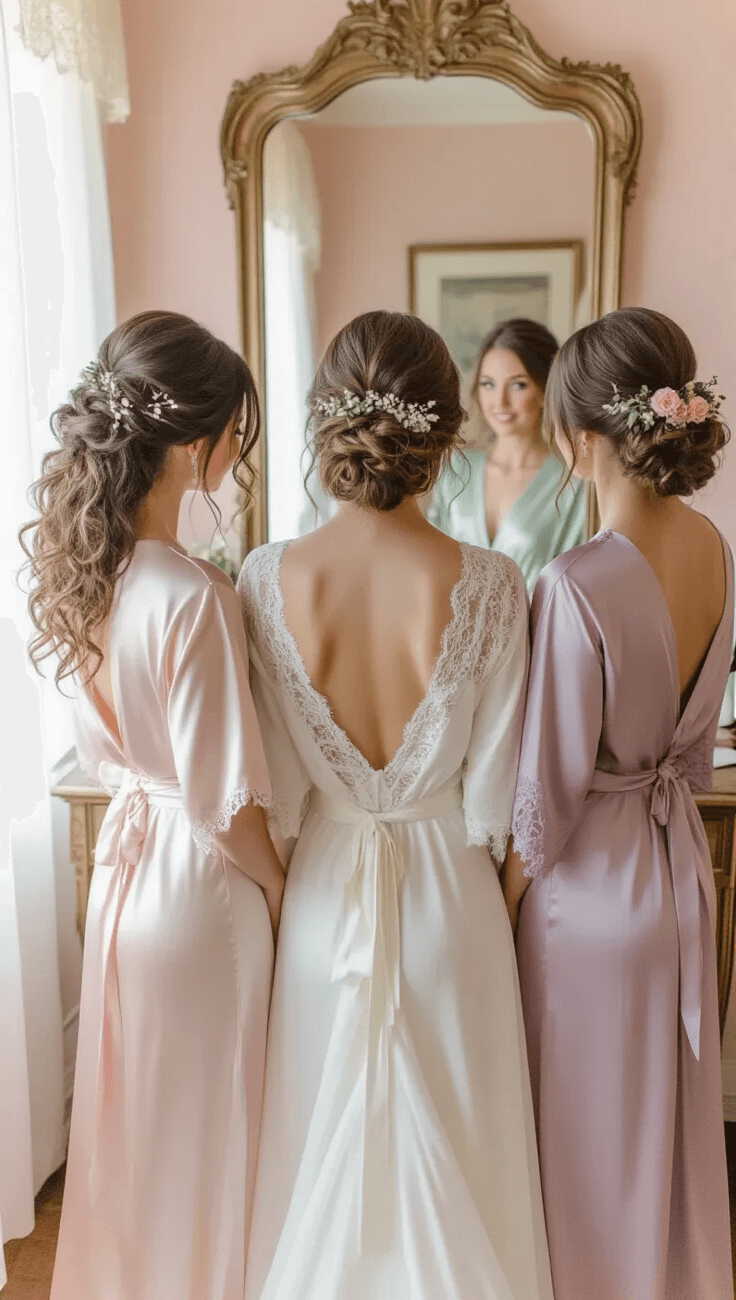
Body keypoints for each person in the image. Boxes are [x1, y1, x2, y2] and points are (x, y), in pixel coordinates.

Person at [239, 312, 554, 1300]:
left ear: (326, 422)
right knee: (473, 1169)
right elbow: (497, 797)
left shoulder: (262, 579)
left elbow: (276, 791)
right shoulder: (494, 585)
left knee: (315, 1168)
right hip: (451, 905)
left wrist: (290, 889)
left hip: (324, 903)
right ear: (446, 428)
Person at [21, 311, 285, 1300]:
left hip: (125, 883)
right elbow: (224, 802)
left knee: (137, 1134)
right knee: (210, 1135)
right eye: (233, 435)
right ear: (193, 443)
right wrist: (284, 886)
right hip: (197, 890)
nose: (233, 454)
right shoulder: (195, 594)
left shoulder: (91, 577)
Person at [503, 308, 734, 1300]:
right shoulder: (715, 548)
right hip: (678, 878)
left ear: (578, 434)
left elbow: (545, 798)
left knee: (582, 1155)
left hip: (588, 900)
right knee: (659, 1142)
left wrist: (495, 903)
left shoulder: (575, 582)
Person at [428, 318, 587, 594]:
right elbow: (432, 564)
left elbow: (573, 584)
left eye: (518, 385)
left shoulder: (572, 483)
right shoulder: (455, 470)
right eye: (488, 384)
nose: (499, 402)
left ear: (545, 389)